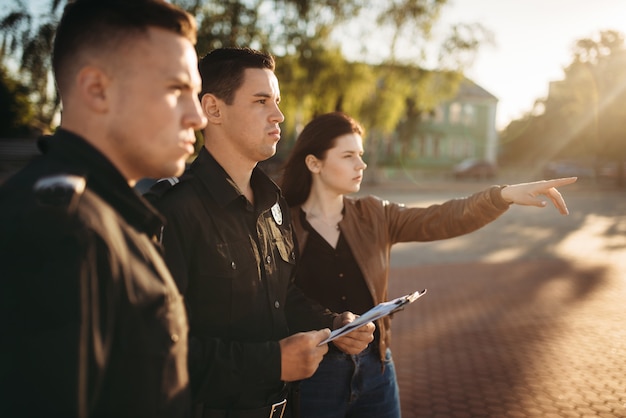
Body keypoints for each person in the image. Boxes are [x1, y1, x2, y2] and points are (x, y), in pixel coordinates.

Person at [279, 111, 578, 418]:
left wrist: (503, 195)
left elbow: (441, 218)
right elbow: (280, 300)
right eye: (348, 156)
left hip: (376, 368)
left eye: (361, 154)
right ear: (314, 163)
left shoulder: (375, 214)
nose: (361, 164)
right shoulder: (279, 224)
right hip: (314, 374)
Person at [0, 1, 207, 417]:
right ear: (96, 89)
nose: (198, 116)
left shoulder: (109, 217)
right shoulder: (63, 231)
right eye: (175, 89)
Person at [146, 48, 374, 418]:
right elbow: (157, 350)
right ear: (214, 110)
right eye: (261, 101)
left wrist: (333, 324)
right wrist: (273, 362)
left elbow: (283, 295)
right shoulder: (174, 210)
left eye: (278, 101)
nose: (279, 115)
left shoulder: (273, 201)